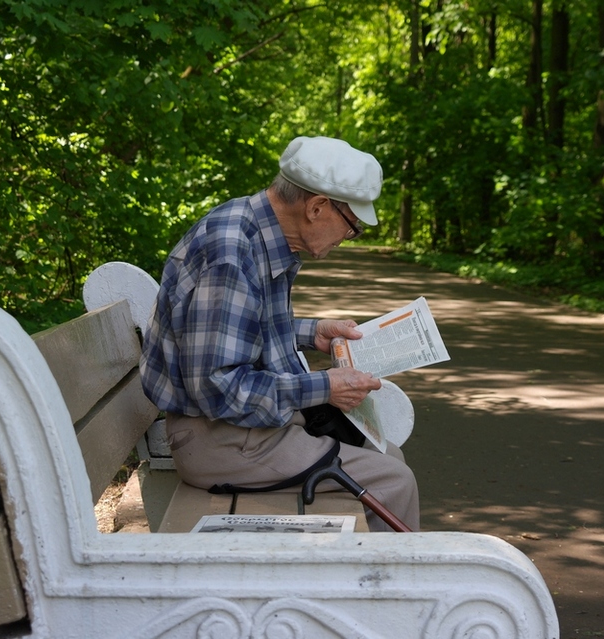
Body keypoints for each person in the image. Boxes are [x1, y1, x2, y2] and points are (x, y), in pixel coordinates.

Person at [140, 135, 420, 532]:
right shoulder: (232, 252)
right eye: (352, 226)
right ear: (317, 207)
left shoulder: (256, 233)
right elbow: (217, 386)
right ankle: (376, 592)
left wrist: (313, 332)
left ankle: (355, 581)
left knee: (389, 456)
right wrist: (324, 387)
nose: (348, 238)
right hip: (219, 440)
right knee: (393, 481)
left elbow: (234, 330)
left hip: (244, 428)